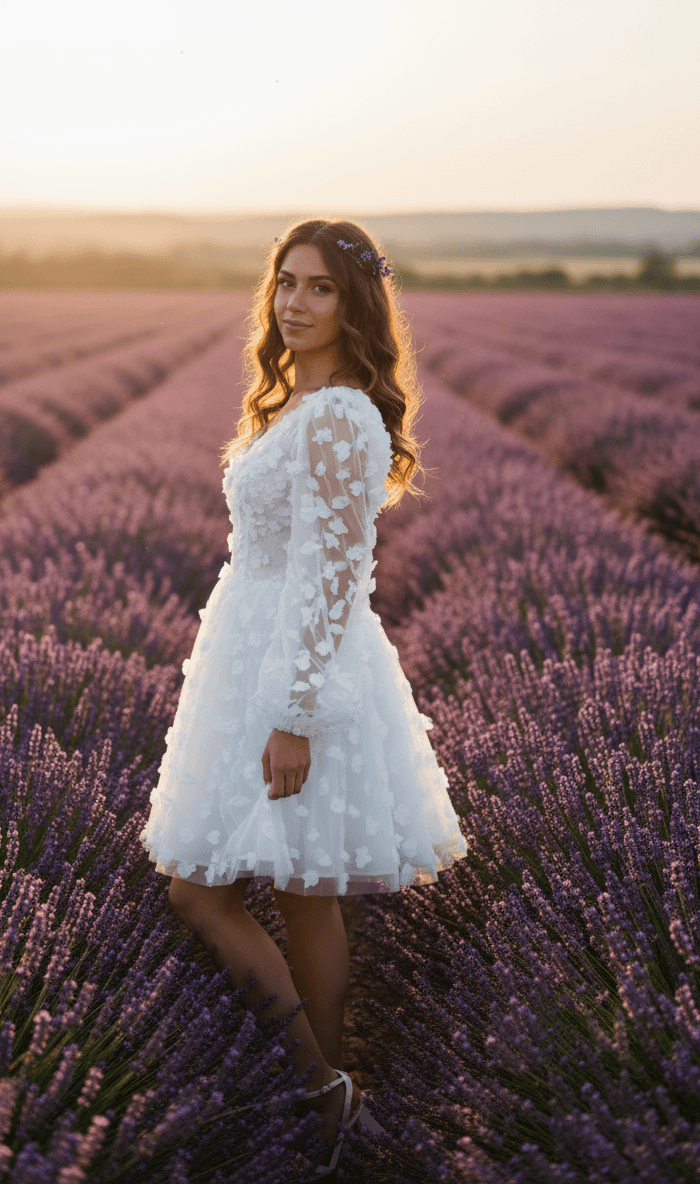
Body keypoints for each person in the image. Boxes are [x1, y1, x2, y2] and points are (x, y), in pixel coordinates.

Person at [139, 217, 467, 1178]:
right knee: (302, 891)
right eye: (286, 281)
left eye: (321, 287)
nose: (295, 301)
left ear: (356, 303)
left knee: (222, 892)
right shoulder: (294, 402)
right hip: (250, 655)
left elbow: (334, 575)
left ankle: (317, 1087)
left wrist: (296, 714)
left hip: (296, 670)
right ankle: (328, 1095)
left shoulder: (339, 417)